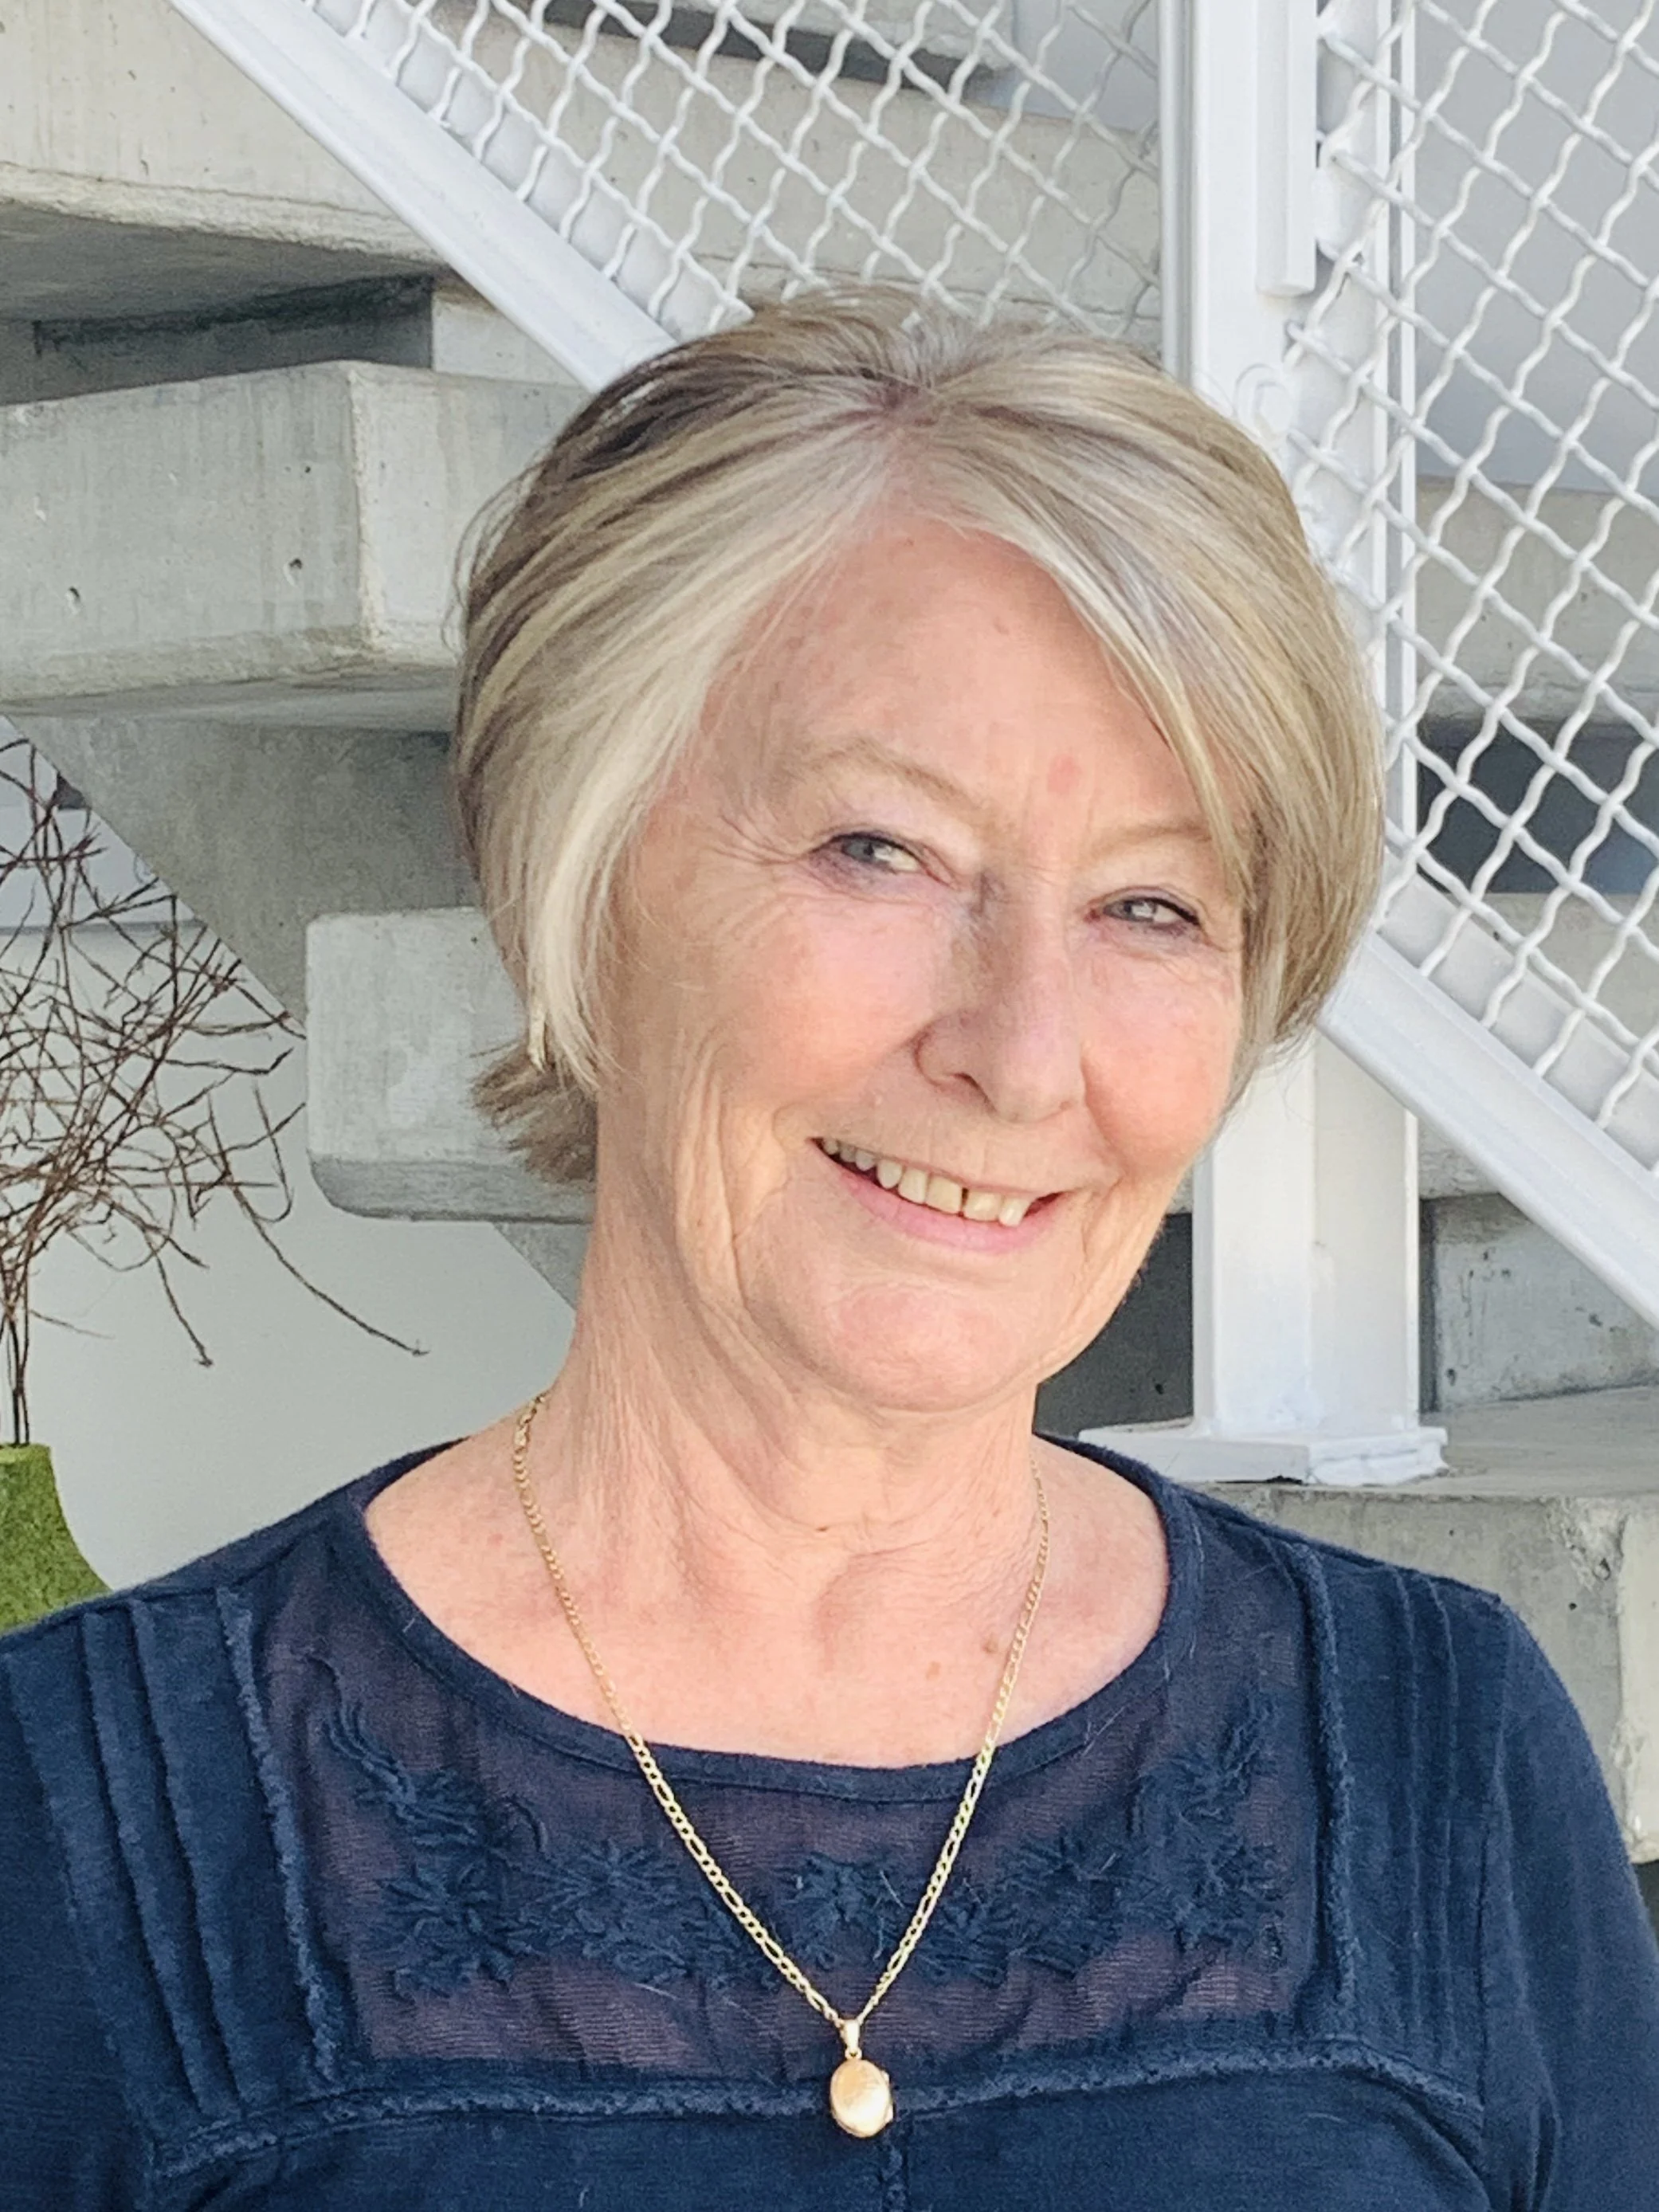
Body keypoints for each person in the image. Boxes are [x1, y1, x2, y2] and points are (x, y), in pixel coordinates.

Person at [2, 288, 1656, 2210]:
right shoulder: (87, 1820)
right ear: (577, 882)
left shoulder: (1439, 1750)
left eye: (1152, 904)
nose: (1021, 1051)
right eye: (883, 848)